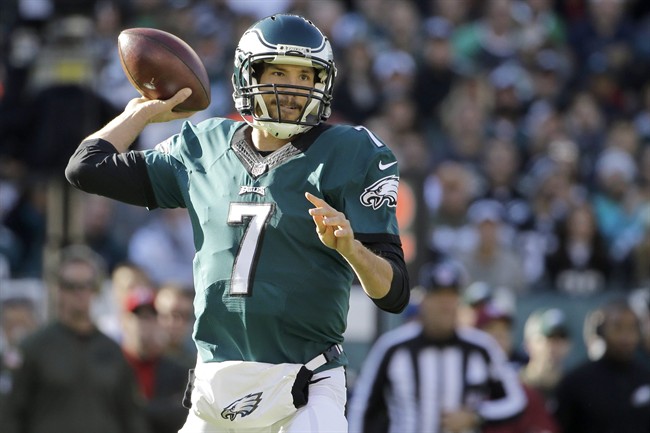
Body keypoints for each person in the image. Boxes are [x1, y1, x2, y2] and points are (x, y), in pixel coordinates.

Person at [65, 13, 409, 432]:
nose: (291, 87)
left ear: (322, 82)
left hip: (304, 384)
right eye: (278, 71)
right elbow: (87, 168)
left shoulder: (350, 151)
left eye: (304, 76)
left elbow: (394, 293)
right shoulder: (203, 146)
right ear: (248, 75)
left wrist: (352, 249)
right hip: (215, 385)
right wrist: (141, 114)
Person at [347, 260, 526, 433]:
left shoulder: (481, 347)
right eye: (438, 296)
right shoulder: (393, 347)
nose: (445, 304)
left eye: (451, 296)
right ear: (423, 300)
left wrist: (475, 415)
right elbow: (362, 408)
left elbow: (516, 400)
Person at [3, 245, 149, 433]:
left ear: (95, 290)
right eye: (70, 286)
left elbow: (131, 416)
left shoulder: (113, 350)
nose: (79, 293)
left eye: (86, 285)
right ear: (58, 290)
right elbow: (11, 415)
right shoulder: (34, 348)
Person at [554, 299, 650, 433]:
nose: (626, 337)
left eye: (632, 328)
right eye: (617, 327)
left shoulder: (645, 376)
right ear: (601, 331)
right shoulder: (576, 382)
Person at [120, 286, 189, 433]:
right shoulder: (112, 363)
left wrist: (138, 409)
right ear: (125, 321)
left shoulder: (176, 368)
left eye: (152, 316)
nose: (146, 324)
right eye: (140, 316)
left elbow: (180, 412)